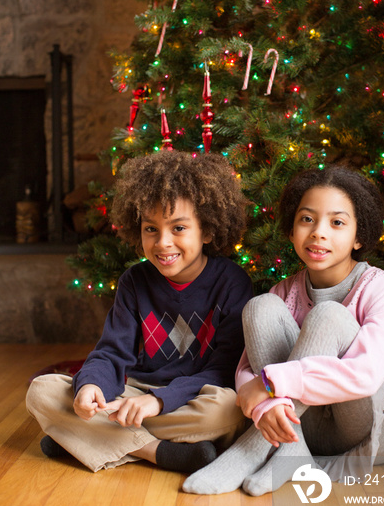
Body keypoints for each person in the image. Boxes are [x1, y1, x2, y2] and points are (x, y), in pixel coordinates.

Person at [182, 165, 384, 496]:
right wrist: (265, 403)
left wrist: (271, 384)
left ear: (359, 236)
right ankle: (291, 453)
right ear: (292, 230)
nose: (318, 232)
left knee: (329, 316)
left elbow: (366, 375)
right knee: (259, 307)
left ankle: (251, 448)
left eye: (337, 222)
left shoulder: (382, 290)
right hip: (302, 427)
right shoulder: (285, 292)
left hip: (369, 428)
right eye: (307, 219)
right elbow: (247, 368)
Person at [27, 150, 253, 474]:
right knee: (41, 391)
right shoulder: (134, 282)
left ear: (208, 230)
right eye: (151, 229)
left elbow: (223, 369)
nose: (162, 243)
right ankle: (155, 452)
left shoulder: (232, 283)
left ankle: (81, 437)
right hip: (132, 392)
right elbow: (111, 353)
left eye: (178, 228)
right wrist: (91, 386)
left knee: (228, 410)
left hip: (191, 397)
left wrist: (159, 402)